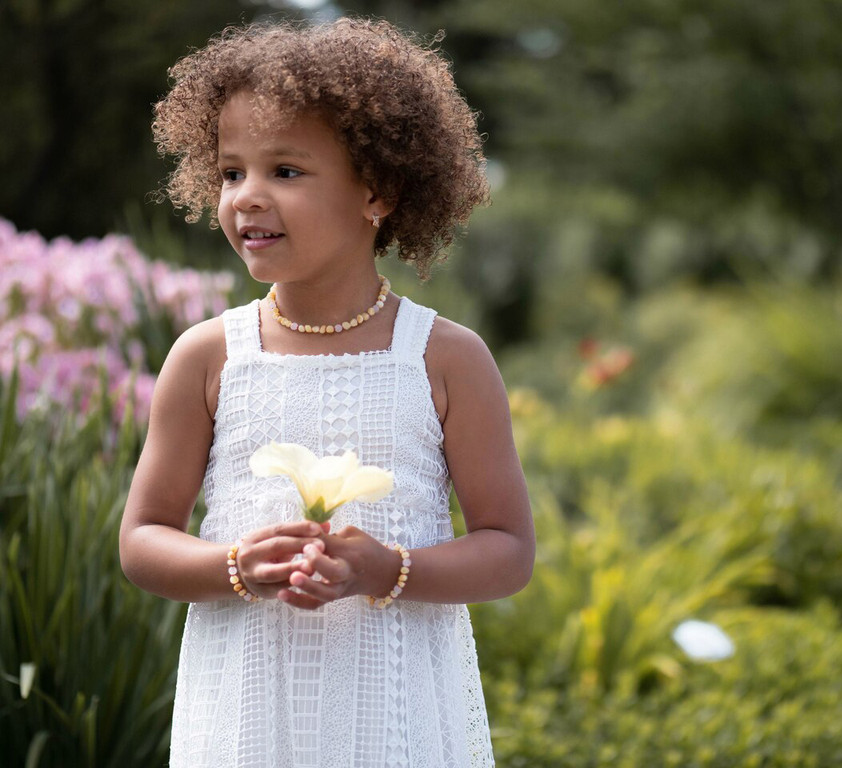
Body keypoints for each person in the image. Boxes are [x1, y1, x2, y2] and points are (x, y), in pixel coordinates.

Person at [119, 18, 534, 768]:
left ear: (377, 191)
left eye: (285, 171)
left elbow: (507, 550)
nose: (246, 197)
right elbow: (143, 540)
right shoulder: (208, 357)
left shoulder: (444, 359)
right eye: (229, 172)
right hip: (243, 711)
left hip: (395, 708)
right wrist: (234, 566)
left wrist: (391, 570)